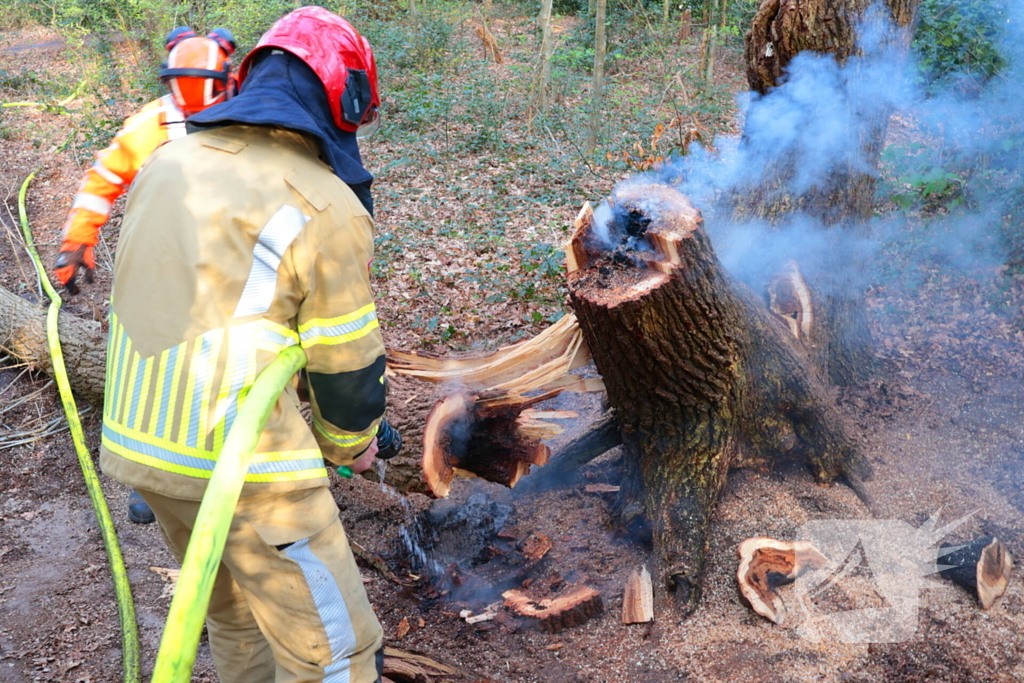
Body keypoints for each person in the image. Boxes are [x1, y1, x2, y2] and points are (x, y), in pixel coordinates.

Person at [99, 7, 390, 682]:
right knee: (337, 652)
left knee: (237, 619)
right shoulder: (324, 203)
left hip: (140, 447)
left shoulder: (169, 163)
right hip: (246, 466)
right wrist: (351, 442)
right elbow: (345, 363)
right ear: (341, 103)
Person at [55, 26, 237, 525]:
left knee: (224, 366)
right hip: (160, 259)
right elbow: (103, 180)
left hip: (231, 257)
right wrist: (78, 241)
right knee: (150, 361)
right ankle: (149, 480)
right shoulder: (152, 124)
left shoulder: (249, 111)